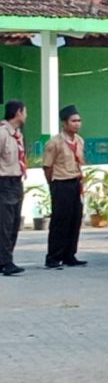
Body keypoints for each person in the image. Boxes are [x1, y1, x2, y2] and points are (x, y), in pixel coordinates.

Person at [43, 105, 86, 269]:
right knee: (60, 221)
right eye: (73, 121)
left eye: (79, 120)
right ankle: (53, 256)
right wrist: (52, 185)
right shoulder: (55, 143)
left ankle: (70, 254)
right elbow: (47, 166)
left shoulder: (79, 141)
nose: (77, 124)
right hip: (61, 183)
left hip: (76, 182)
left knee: (75, 219)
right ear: (64, 123)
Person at [0, 100, 26, 277]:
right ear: (18, 112)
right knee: (5, 223)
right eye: (24, 111)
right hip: (4, 181)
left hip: (16, 180)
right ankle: (5, 261)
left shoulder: (17, 134)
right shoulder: (2, 133)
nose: (25, 115)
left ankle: (6, 259)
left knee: (15, 221)